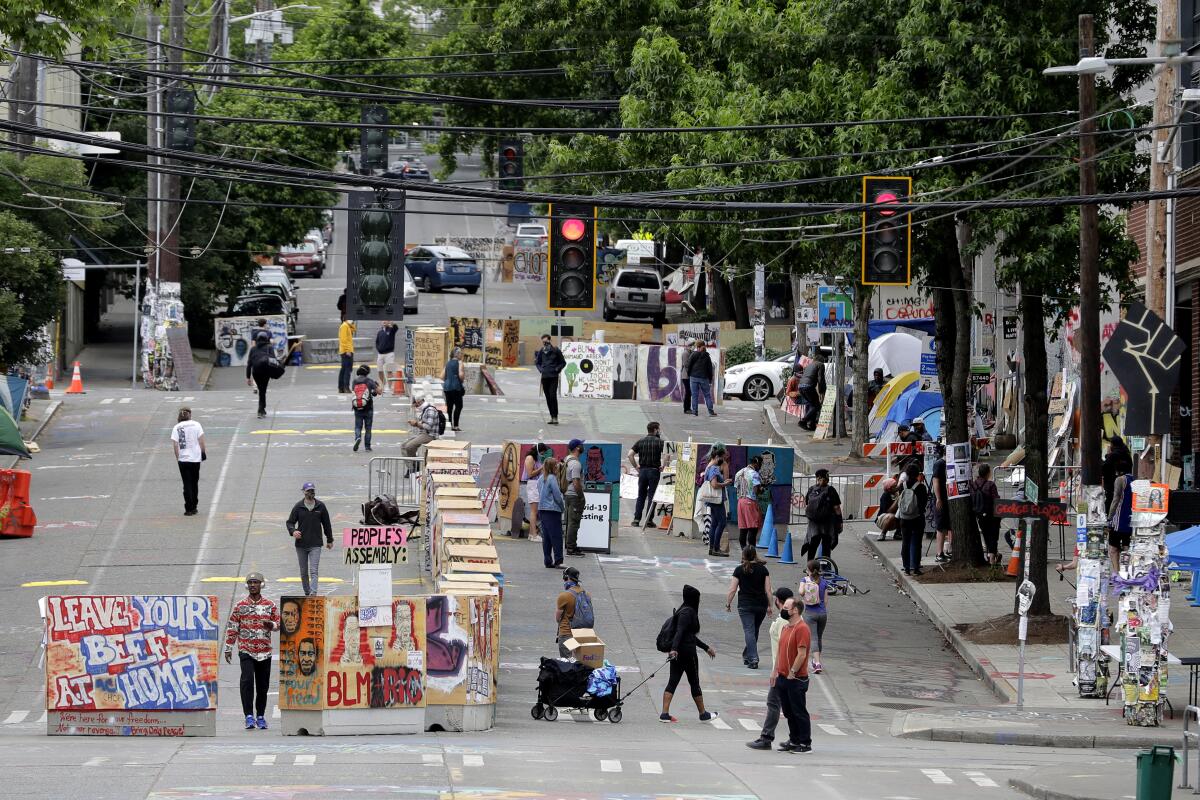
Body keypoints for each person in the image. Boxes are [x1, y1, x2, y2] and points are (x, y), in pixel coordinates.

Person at [223, 572, 279, 730]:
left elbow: (278, 623)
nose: (253, 585)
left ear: (262, 585)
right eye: (250, 582)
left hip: (265, 651)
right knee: (247, 681)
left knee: (263, 685)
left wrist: (272, 626)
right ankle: (248, 716)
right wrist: (228, 648)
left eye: (256, 582)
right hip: (246, 650)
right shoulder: (240, 606)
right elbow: (233, 628)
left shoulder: (270, 605)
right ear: (247, 586)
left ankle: (260, 716)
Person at [661, 584, 718, 723]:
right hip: (687, 653)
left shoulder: (682, 610)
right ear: (694, 599)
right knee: (694, 682)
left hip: (677, 653)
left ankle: (664, 714)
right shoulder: (689, 613)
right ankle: (703, 713)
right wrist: (674, 648)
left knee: (673, 681)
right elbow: (680, 633)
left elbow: (687, 635)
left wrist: (705, 647)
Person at [746, 587, 795, 750]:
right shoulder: (791, 619)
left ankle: (767, 738)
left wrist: (775, 670)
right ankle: (795, 737)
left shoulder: (783, 621)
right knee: (789, 705)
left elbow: (783, 647)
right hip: (786, 668)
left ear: (778, 601)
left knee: (774, 703)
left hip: (781, 668)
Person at [773, 597, 813, 753]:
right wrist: (776, 671)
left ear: (795, 610)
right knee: (789, 711)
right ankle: (794, 739)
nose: (783, 609)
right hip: (783, 676)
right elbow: (780, 651)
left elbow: (802, 654)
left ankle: (805, 743)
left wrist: (792, 671)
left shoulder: (802, 628)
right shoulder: (786, 628)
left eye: (787, 607)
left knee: (799, 711)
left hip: (795, 678)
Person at [726, 545, 773, 669]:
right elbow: (768, 590)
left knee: (749, 631)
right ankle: (747, 654)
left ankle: (753, 658)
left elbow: (732, 589)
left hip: (745, 605)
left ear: (743, 555)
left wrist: (728, 603)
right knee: (754, 630)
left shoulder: (739, 570)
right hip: (761, 605)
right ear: (755, 555)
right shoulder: (763, 570)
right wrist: (770, 605)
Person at [286, 482, 333, 596]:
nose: (311, 493)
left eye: (312, 490)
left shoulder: (320, 506)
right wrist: (293, 531)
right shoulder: (298, 506)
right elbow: (290, 522)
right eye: (308, 491)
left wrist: (330, 539)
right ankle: (307, 592)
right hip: (301, 545)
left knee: (314, 571)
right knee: (303, 572)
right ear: (303, 492)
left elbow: (327, 523)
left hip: (315, 544)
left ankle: (313, 593)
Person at [629, 421, 669, 527]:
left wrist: (636, 467)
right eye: (659, 429)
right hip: (654, 471)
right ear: (655, 430)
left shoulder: (640, 441)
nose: (659, 431)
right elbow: (667, 455)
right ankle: (649, 520)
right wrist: (663, 466)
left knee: (641, 495)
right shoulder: (660, 442)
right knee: (652, 496)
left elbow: (630, 455)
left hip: (642, 471)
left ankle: (636, 519)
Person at [170, 407, 207, 516]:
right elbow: (201, 441)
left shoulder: (176, 427)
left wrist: (178, 458)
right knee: (194, 482)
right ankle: (194, 505)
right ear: (189, 415)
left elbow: (175, 445)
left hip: (183, 459)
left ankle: (188, 508)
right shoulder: (196, 424)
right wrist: (203, 452)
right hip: (195, 458)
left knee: (186, 483)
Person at [896, 462, 930, 576]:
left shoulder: (902, 486)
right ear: (917, 474)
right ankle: (915, 567)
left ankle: (906, 567)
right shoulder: (920, 487)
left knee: (905, 542)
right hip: (917, 517)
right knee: (917, 542)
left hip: (904, 518)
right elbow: (924, 503)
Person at [801, 469, 842, 560]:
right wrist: (840, 521)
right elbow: (837, 508)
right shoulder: (831, 490)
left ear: (817, 478)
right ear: (827, 478)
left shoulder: (811, 489)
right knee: (826, 545)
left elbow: (807, 504)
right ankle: (825, 567)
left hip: (813, 523)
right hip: (827, 524)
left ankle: (810, 567)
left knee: (813, 544)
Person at [800, 560, 830, 674]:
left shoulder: (805, 580)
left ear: (809, 571)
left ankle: (817, 663)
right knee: (819, 637)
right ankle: (816, 660)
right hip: (822, 614)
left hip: (810, 613)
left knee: (813, 638)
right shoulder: (824, 582)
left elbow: (801, 592)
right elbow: (826, 600)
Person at [703, 446, 732, 556]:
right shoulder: (714, 468)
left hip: (713, 500)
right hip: (716, 500)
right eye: (721, 457)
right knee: (722, 522)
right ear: (716, 456)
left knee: (714, 523)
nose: (723, 459)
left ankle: (712, 548)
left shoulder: (710, 467)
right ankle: (716, 548)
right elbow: (714, 484)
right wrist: (725, 483)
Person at [971, 464, 1002, 565]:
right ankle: (992, 558)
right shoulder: (990, 485)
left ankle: (994, 554)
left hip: (979, 514)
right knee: (993, 536)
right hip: (991, 514)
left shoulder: (974, 484)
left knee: (986, 534)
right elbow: (996, 499)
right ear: (988, 473)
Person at [539, 455, 565, 568]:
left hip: (542, 509)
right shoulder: (552, 478)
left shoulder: (541, 479)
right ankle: (558, 560)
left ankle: (547, 560)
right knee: (556, 536)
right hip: (552, 510)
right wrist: (562, 507)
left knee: (547, 537)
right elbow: (557, 496)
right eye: (556, 466)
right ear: (553, 467)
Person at [555, 566, 587, 656]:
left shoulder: (564, 596)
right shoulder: (585, 593)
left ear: (567, 578)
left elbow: (558, 618)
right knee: (578, 662)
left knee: (567, 664)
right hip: (581, 633)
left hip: (567, 634)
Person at [734, 455, 765, 548]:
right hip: (750, 502)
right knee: (753, 528)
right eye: (760, 464)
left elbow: (737, 488)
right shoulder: (754, 474)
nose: (760, 467)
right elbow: (756, 490)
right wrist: (761, 489)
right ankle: (752, 554)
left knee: (743, 529)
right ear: (756, 463)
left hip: (740, 502)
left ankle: (744, 553)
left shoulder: (739, 472)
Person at [535, 334, 566, 424]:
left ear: (549, 340)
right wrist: (541, 370)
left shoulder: (556, 350)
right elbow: (537, 362)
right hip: (545, 377)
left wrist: (557, 369)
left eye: (546, 341)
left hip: (553, 377)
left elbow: (563, 363)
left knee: (553, 396)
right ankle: (551, 416)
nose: (545, 343)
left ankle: (555, 416)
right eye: (543, 342)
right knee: (548, 397)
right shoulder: (541, 351)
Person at [563, 438, 586, 557]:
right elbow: (576, 482)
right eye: (581, 445)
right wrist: (581, 496)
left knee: (569, 521)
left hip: (567, 494)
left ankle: (569, 544)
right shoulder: (576, 464)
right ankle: (571, 547)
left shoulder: (567, 459)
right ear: (577, 448)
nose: (583, 446)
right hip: (574, 496)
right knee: (574, 522)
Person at [350, 364, 381, 452]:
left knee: (358, 426)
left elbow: (354, 392)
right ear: (367, 372)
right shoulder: (369, 381)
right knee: (368, 428)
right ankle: (367, 446)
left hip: (357, 407)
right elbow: (379, 392)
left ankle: (357, 438)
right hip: (368, 408)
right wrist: (377, 385)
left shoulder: (354, 381)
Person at [1108, 468, 1134, 572]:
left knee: (1113, 548)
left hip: (1119, 519)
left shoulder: (1120, 480)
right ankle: (1126, 573)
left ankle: (1116, 573)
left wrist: (1110, 517)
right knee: (1127, 547)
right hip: (1132, 519)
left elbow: (1116, 499)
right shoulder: (1136, 480)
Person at [245, 331, 274, 418]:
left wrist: (248, 377)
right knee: (262, 390)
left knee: (261, 390)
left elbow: (249, 363)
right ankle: (261, 410)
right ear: (267, 339)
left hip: (256, 372)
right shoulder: (269, 347)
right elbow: (273, 359)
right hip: (266, 371)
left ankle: (262, 409)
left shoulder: (253, 349)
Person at [523, 444, 549, 541]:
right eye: (542, 452)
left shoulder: (536, 459)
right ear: (539, 450)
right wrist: (541, 468)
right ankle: (534, 535)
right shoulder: (530, 458)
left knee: (535, 511)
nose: (543, 454)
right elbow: (530, 474)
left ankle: (531, 533)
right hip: (533, 484)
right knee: (534, 511)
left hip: (536, 484)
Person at [402, 394, 440, 459]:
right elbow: (424, 424)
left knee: (409, 446)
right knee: (403, 446)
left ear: (419, 402)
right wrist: (415, 424)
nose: (416, 407)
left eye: (416, 405)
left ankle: (414, 465)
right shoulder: (425, 410)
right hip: (423, 433)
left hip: (430, 435)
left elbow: (429, 427)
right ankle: (412, 466)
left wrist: (417, 424)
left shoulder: (430, 410)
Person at [931, 446, 951, 563]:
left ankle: (948, 550)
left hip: (948, 498)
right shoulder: (939, 464)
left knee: (948, 525)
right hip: (942, 498)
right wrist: (938, 498)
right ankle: (939, 552)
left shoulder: (947, 464)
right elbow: (936, 481)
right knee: (941, 525)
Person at [1102, 436, 1134, 510]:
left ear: (1113, 444)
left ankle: (1110, 518)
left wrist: (1107, 455)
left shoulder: (1113, 455)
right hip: (1126, 480)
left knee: (1112, 500)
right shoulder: (1126, 454)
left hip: (1112, 482)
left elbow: (1104, 468)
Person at [687, 340, 717, 417]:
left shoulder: (693, 354)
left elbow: (689, 365)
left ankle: (695, 412)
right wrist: (710, 379)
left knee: (694, 395)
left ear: (697, 347)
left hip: (693, 377)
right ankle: (711, 412)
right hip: (704, 378)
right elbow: (710, 369)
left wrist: (689, 374)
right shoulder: (707, 356)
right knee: (707, 395)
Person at [797, 354, 825, 430]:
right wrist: (822, 391)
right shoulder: (820, 365)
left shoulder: (809, 365)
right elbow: (821, 379)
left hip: (801, 386)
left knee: (812, 405)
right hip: (808, 386)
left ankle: (811, 425)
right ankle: (803, 421)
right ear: (821, 360)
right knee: (817, 406)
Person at [443, 347, 466, 432]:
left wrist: (449, 378)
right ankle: (455, 426)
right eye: (460, 354)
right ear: (457, 354)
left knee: (449, 407)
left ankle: (449, 424)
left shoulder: (448, 363)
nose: (461, 355)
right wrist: (462, 378)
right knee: (459, 406)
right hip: (456, 387)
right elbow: (461, 375)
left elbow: (442, 376)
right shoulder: (460, 363)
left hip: (447, 387)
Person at [374, 320, 399, 393]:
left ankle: (389, 386)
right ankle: (382, 385)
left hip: (389, 353)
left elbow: (396, 328)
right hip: (380, 354)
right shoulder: (380, 332)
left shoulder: (391, 330)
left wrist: (392, 324)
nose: (384, 322)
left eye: (386, 320)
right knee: (380, 370)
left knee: (389, 370)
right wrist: (378, 348)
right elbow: (377, 342)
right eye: (383, 320)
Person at [875, 476, 901, 542]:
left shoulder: (896, 494)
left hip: (895, 516)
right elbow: (888, 511)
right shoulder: (885, 496)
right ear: (889, 489)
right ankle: (883, 533)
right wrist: (897, 500)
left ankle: (898, 533)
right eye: (895, 486)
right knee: (891, 516)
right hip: (883, 518)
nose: (897, 487)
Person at [337, 317, 357, 394]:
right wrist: (348, 350)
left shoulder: (347, 326)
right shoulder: (344, 326)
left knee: (344, 369)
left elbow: (353, 330)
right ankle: (346, 387)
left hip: (345, 350)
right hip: (347, 351)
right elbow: (344, 340)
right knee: (347, 370)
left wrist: (351, 324)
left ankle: (341, 388)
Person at [680, 340, 694, 414]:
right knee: (688, 392)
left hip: (688, 376)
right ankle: (686, 408)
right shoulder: (685, 353)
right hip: (686, 376)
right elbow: (686, 365)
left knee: (689, 392)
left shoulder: (690, 353)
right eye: (691, 345)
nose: (693, 346)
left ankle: (688, 407)